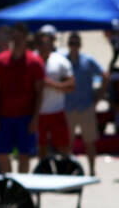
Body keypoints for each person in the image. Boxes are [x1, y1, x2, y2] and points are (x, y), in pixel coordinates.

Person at [0, 24, 45, 174]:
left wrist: (35, 118)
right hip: (4, 116)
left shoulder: (35, 62)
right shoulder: (0, 61)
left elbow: (40, 92)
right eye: (15, 37)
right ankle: (8, 181)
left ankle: (21, 186)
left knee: (24, 155)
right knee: (1, 154)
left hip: (25, 116)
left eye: (20, 37)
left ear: (26, 38)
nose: (17, 40)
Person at [63, 32, 105, 175]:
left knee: (90, 142)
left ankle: (92, 170)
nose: (74, 46)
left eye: (76, 43)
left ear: (80, 45)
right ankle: (68, 170)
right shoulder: (62, 61)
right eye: (71, 43)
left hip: (85, 106)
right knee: (67, 143)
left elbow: (104, 75)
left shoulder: (88, 61)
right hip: (68, 107)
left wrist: (98, 98)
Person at [35, 25, 75, 159]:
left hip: (56, 111)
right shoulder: (32, 60)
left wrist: (50, 84)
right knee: (40, 147)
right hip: (37, 113)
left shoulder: (60, 61)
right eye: (41, 43)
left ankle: (65, 170)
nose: (44, 46)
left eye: (47, 42)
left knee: (63, 146)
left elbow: (71, 86)